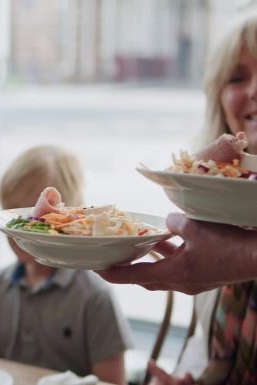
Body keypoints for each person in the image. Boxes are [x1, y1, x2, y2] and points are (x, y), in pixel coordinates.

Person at [99, 15, 257, 385]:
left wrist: (243, 259)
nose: (253, 90)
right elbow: (211, 342)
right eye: (237, 78)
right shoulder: (215, 204)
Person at [0, 146, 133, 385]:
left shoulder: (94, 296)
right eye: (13, 218)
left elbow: (113, 381)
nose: (19, 232)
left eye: (37, 220)